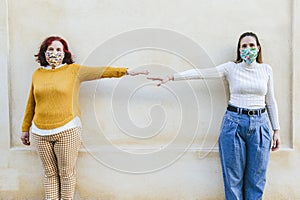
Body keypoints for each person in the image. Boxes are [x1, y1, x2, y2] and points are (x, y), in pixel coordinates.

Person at [148, 32, 280, 200]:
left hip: (261, 124)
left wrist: (277, 130)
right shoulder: (231, 68)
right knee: (233, 178)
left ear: (258, 48)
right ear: (239, 50)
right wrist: (172, 77)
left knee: (257, 177)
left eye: (251, 45)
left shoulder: (266, 70)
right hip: (234, 123)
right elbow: (202, 73)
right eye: (244, 46)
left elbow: (271, 101)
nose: (248, 49)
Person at [21, 36, 149, 200]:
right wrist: (25, 128)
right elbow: (31, 103)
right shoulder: (37, 74)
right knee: (49, 174)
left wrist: (126, 71)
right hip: (40, 132)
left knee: (66, 174)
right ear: (44, 53)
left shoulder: (73, 70)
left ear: (64, 53)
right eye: (50, 49)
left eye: (58, 49)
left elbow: (100, 72)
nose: (54, 53)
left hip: (67, 130)